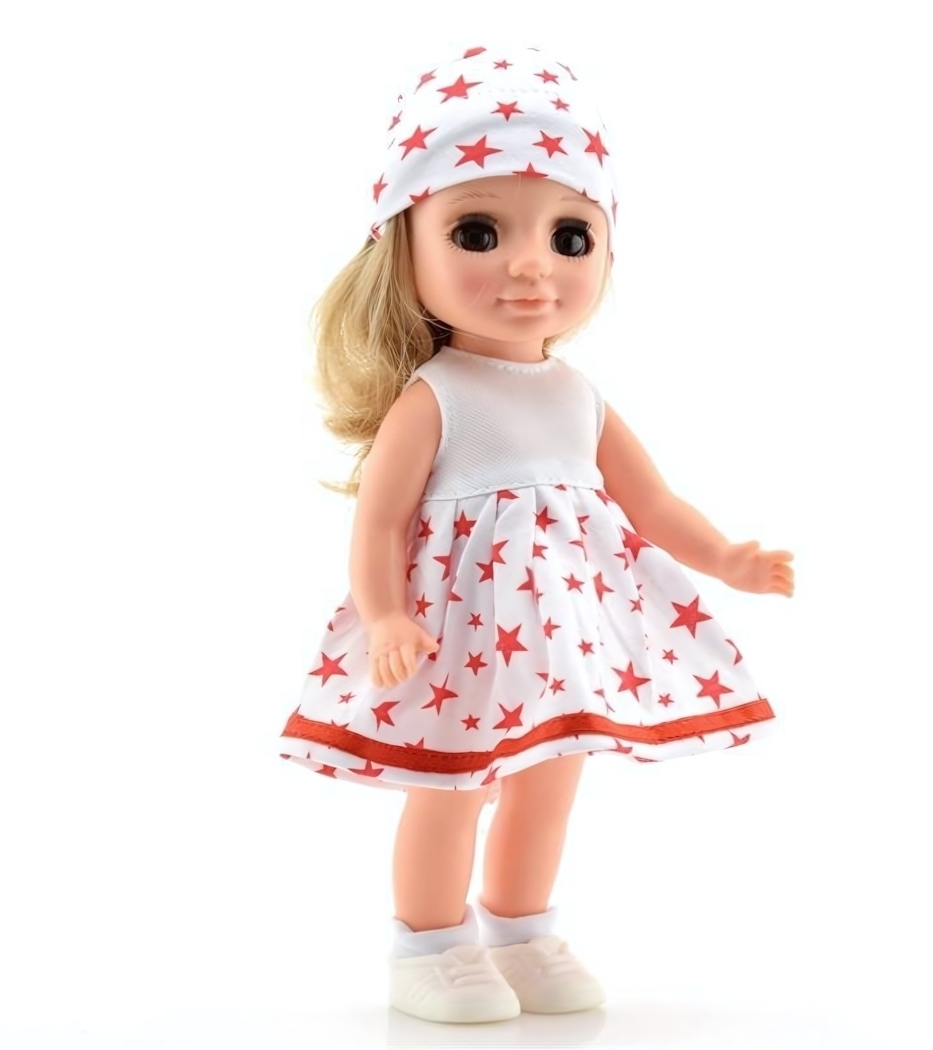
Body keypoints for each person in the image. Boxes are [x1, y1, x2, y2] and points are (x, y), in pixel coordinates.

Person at [277, 42, 795, 1025]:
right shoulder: (434, 397)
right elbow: (379, 521)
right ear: (402, 249)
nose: (529, 265)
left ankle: (520, 930)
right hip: (458, 641)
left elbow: (652, 504)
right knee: (451, 787)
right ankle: (429, 947)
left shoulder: (576, 395)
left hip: (561, 645)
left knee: (550, 784)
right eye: (477, 232)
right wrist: (385, 617)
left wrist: (728, 557)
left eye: (570, 236)